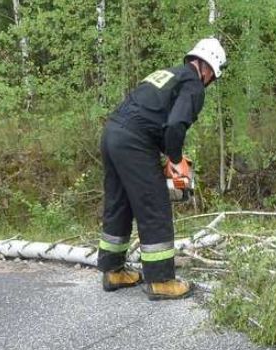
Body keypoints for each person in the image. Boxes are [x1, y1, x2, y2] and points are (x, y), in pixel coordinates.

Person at [97, 38, 227, 300]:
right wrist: (176, 159)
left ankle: (112, 271)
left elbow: (153, 117)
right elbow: (176, 124)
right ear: (208, 69)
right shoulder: (193, 84)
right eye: (213, 76)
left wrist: (169, 155)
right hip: (135, 142)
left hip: (112, 134)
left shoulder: (168, 74)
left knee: (119, 203)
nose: (211, 81)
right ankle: (161, 281)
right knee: (154, 205)